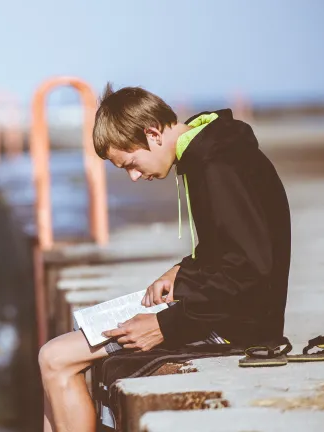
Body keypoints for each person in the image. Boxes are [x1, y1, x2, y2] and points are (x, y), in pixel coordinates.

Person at [38, 84, 291, 432]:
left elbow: (250, 270)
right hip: (223, 310)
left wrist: (163, 326)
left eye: (131, 164)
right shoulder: (210, 152)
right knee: (59, 352)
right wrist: (182, 270)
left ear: (153, 132)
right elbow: (233, 248)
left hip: (238, 326)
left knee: (56, 359)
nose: (135, 176)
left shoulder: (217, 166)